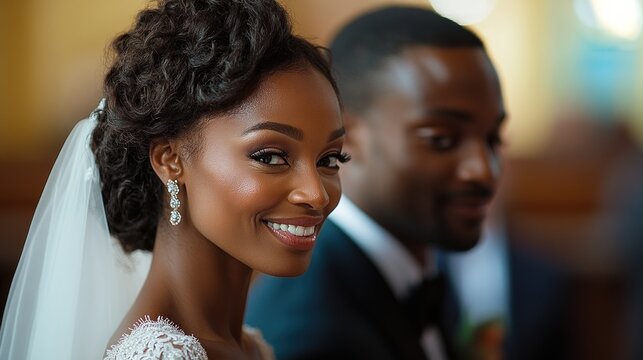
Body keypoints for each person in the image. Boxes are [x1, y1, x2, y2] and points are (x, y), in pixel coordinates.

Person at [0, 0, 348, 359]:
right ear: (169, 160)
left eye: (330, 159)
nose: (316, 193)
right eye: (271, 156)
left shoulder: (251, 346)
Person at [246, 6, 506, 360]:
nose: (484, 171)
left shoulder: (419, 272)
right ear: (345, 136)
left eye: (492, 139)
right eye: (441, 139)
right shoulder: (311, 330)